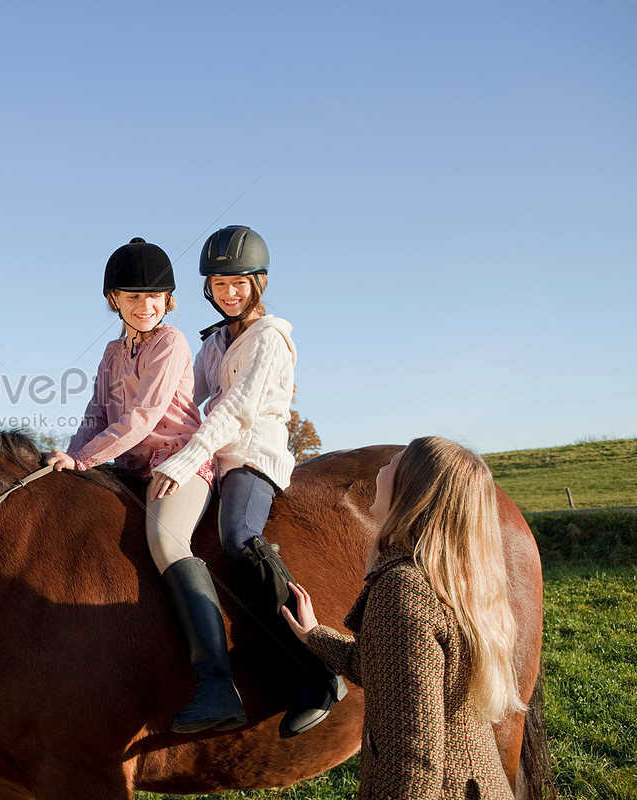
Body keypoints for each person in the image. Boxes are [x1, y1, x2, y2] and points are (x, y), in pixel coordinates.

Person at [150, 225, 345, 738]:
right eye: (217, 284)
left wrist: (189, 454)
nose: (228, 292)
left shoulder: (271, 337)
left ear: (257, 282)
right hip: (214, 454)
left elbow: (237, 409)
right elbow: (186, 397)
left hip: (251, 455)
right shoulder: (214, 342)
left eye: (238, 282)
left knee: (237, 538)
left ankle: (319, 669)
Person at [46, 236, 246, 734]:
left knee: (164, 539)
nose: (144, 306)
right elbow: (97, 413)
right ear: (114, 300)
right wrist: (71, 458)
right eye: (132, 297)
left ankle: (218, 684)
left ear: (168, 300)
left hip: (178, 462)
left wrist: (86, 458)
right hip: (127, 465)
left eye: (153, 297)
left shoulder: (172, 343)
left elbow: (143, 415)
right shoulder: (112, 353)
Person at [282, 436, 526, 799]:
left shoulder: (403, 588)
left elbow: (414, 758)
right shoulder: (456, 579)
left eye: (391, 467)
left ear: (411, 491)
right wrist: (315, 635)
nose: (379, 472)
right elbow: (387, 671)